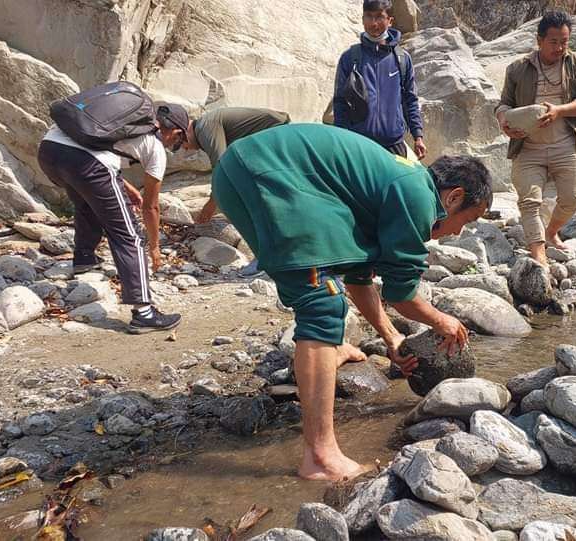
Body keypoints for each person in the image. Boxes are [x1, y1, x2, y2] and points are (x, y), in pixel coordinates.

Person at [211, 123, 492, 480]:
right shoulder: (418, 196)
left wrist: (392, 339)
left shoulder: (400, 184)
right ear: (453, 197)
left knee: (323, 292)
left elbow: (360, 279)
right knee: (320, 303)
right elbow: (400, 294)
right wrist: (443, 321)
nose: (460, 230)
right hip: (268, 170)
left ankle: (327, 350)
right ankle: (320, 458)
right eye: (469, 219)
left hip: (245, 169)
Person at [37, 102, 189, 334]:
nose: (173, 147)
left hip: (49, 151)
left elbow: (102, 156)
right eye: (177, 143)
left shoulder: (123, 123)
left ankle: (84, 258)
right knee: (130, 236)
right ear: (175, 132)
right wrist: (155, 246)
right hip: (85, 162)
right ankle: (144, 312)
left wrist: (127, 189)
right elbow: (151, 207)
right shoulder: (155, 146)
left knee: (87, 202)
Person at [495, 10, 576, 266]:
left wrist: (560, 110)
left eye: (565, 41)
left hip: (566, 145)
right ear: (539, 40)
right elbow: (503, 104)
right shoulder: (518, 68)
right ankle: (538, 253)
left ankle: (551, 231)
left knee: (572, 198)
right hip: (528, 147)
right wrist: (504, 123)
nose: (560, 47)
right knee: (529, 202)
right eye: (554, 42)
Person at [333, 0, 426, 159]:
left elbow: (410, 99)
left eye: (379, 17)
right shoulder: (350, 58)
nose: (374, 23)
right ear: (362, 19)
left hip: (394, 145)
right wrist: (343, 139)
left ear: (390, 21)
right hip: (358, 145)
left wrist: (418, 136)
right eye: (369, 16)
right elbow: (340, 102)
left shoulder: (402, 59)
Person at [184, 107, 291, 224]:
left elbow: (221, 167)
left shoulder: (204, 127)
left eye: (179, 142)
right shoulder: (205, 126)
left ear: (185, 131)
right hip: (270, 135)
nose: (185, 149)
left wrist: (211, 205)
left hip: (275, 132)